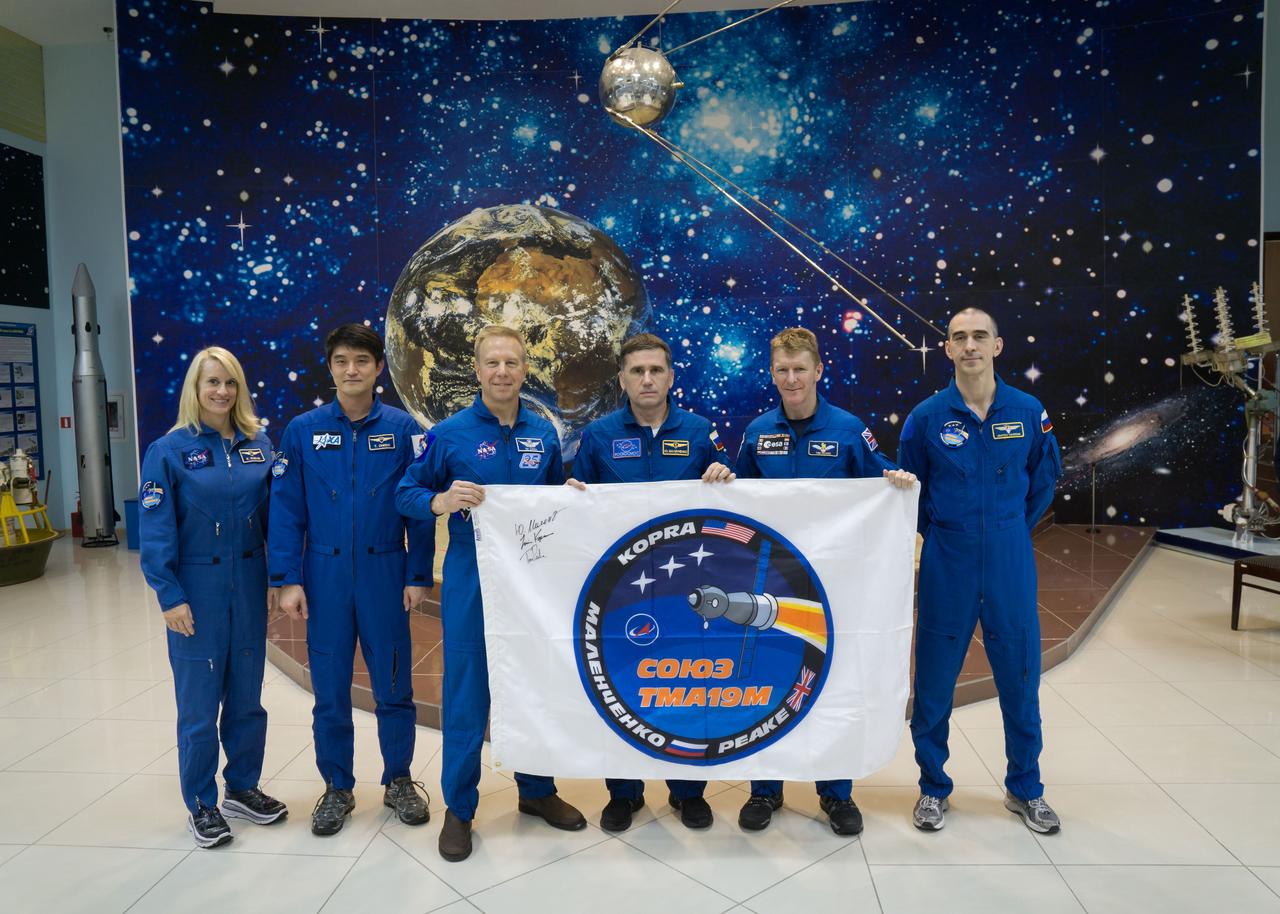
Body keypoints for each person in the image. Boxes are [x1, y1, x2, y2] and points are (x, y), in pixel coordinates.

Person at [396, 325, 588, 862]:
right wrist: (440, 500)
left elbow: (549, 500)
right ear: (477, 371)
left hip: (530, 583)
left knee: (532, 687)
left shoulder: (542, 434)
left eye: (512, 362)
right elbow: (405, 493)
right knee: (466, 695)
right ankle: (459, 809)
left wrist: (568, 496)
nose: (502, 372)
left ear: (525, 370)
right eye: (493, 363)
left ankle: (537, 791)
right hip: (471, 580)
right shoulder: (448, 434)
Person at [735, 327, 916, 836]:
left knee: (834, 684)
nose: (791, 379)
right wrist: (723, 479)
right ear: (772, 374)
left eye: (800, 369)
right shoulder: (755, 433)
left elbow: (878, 478)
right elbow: (739, 498)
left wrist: (894, 481)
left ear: (818, 370)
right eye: (782, 370)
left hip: (836, 587)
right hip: (774, 584)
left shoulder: (848, 428)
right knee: (769, 681)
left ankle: (836, 794)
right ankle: (765, 790)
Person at [897, 307, 1062, 835]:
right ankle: (932, 788)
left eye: (979, 336)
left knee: (1019, 677)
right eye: (959, 337)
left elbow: (1044, 480)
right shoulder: (926, 417)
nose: (969, 345)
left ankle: (1026, 789)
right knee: (935, 681)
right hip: (949, 559)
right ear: (946, 349)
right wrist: (949, 530)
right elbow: (911, 494)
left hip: (1010, 560)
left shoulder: (1029, 410)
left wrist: (1008, 527)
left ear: (998, 345)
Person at [268, 324, 435, 836]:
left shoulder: (406, 430)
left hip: (386, 573)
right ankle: (337, 786)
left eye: (362, 360)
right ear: (331, 367)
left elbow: (421, 508)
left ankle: (400, 780)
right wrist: (288, 578)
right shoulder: (302, 431)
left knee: (392, 683)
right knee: (331, 690)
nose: (351, 370)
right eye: (341, 361)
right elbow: (286, 509)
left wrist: (418, 573)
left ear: (379, 367)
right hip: (325, 576)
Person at [569, 333, 735, 833]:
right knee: (622, 686)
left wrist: (727, 477)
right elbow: (576, 503)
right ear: (622, 379)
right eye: (637, 371)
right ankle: (625, 792)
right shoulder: (598, 436)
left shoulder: (701, 430)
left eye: (656, 371)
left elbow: (743, 499)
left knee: (687, 681)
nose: (646, 379)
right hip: (620, 593)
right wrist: (573, 495)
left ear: (670, 377)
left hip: (687, 588)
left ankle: (688, 791)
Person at [139, 346, 287, 848]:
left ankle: (242, 788)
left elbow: (277, 522)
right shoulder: (169, 451)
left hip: (248, 582)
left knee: (247, 699)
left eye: (230, 383)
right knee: (199, 707)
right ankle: (201, 802)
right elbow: (156, 529)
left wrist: (277, 579)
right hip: (196, 591)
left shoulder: (259, 446)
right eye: (212, 383)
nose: (222, 391)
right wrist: (169, 594)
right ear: (195, 390)